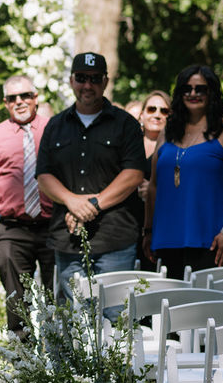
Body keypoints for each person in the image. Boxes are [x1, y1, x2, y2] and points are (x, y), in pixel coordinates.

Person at [36, 52, 145, 297]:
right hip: (68, 241)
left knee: (117, 318)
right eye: (81, 78)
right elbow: (44, 176)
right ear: (72, 80)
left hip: (115, 240)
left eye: (95, 79)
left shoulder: (126, 124)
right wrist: (72, 201)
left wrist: (93, 204)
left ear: (105, 82)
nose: (88, 85)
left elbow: (134, 174)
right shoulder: (55, 125)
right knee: (74, 320)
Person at [142, 65, 223, 276]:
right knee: (171, 306)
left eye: (200, 89)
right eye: (187, 88)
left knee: (208, 307)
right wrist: (148, 230)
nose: (193, 94)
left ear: (212, 92)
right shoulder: (168, 132)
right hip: (168, 237)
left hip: (213, 240)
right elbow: (154, 185)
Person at [0, 75, 54, 332]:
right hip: (12, 229)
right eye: (12, 98)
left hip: (54, 226)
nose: (19, 102)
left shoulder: (55, 129)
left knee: (58, 300)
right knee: (17, 304)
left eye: (25, 96)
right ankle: (25, 368)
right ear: (6, 103)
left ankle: (62, 363)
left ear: (36, 98)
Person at [136, 91, 171, 267]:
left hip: (162, 222)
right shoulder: (130, 143)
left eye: (164, 111)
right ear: (142, 114)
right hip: (131, 221)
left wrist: (154, 188)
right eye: (151, 109)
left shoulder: (175, 147)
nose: (157, 114)